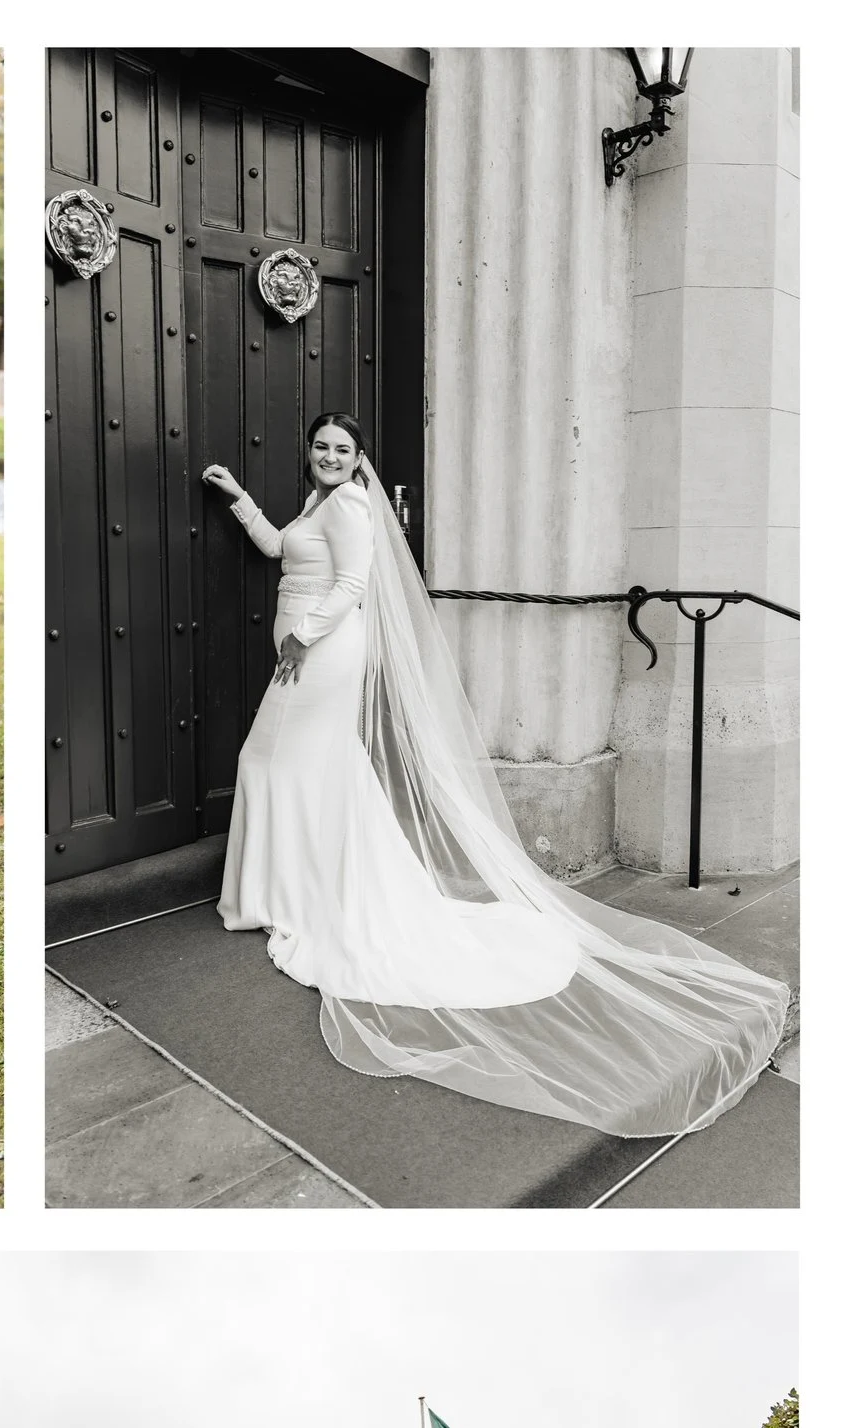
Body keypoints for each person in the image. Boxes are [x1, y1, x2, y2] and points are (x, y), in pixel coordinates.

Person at [201, 413, 788, 1137]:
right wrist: (238, 498)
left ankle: (281, 896)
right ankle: (293, 890)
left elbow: (351, 583)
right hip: (305, 651)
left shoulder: (350, 505)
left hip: (321, 654)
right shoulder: (318, 504)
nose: (329, 456)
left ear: (360, 462)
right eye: (321, 446)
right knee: (308, 772)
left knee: (265, 763)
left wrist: (301, 636)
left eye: (343, 449)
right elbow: (279, 551)